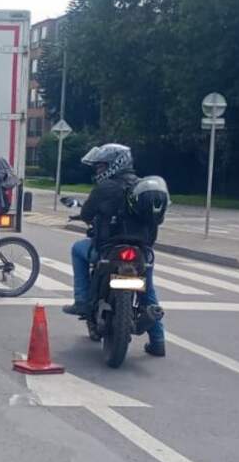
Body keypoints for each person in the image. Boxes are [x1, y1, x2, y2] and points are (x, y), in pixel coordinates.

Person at [61, 143, 165, 356]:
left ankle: (81, 300)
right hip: (141, 251)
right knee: (147, 292)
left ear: (114, 164)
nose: (98, 170)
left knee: (77, 249)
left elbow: (88, 214)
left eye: (101, 166)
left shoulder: (106, 188)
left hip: (109, 250)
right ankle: (158, 341)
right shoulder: (142, 187)